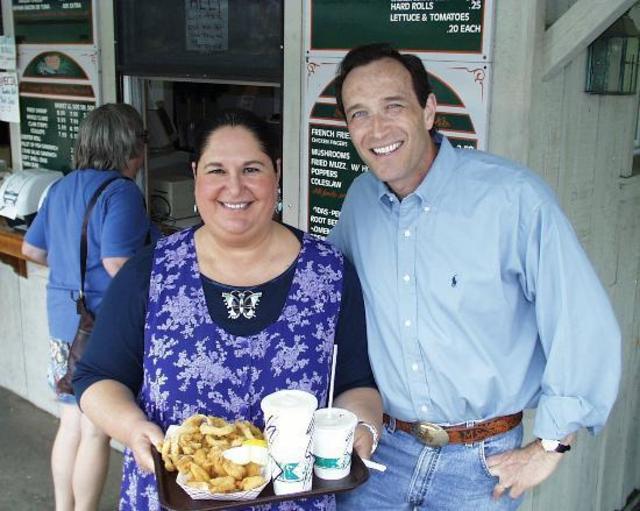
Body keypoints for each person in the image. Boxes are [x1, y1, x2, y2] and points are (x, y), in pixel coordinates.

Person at [327, 43, 621, 510]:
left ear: (428, 110)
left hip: (481, 466)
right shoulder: (360, 201)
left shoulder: (512, 198)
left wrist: (550, 445)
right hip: (382, 452)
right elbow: (325, 292)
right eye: (359, 114)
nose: (376, 129)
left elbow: (579, 320)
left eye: (393, 106)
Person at [73, 108, 383, 511]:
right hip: (173, 499)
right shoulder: (150, 272)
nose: (234, 188)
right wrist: (133, 429)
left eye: (251, 169)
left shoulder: (329, 273)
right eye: (217, 170)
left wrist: (360, 427)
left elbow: (356, 383)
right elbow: (97, 377)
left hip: (293, 500)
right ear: (196, 174)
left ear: (277, 172)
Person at [22, 103, 154, 511]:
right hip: (99, 326)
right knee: (96, 430)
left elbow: (31, 249)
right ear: (131, 146)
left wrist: (72, 271)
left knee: (70, 422)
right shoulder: (121, 192)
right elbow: (118, 263)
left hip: (64, 321)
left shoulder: (61, 187)